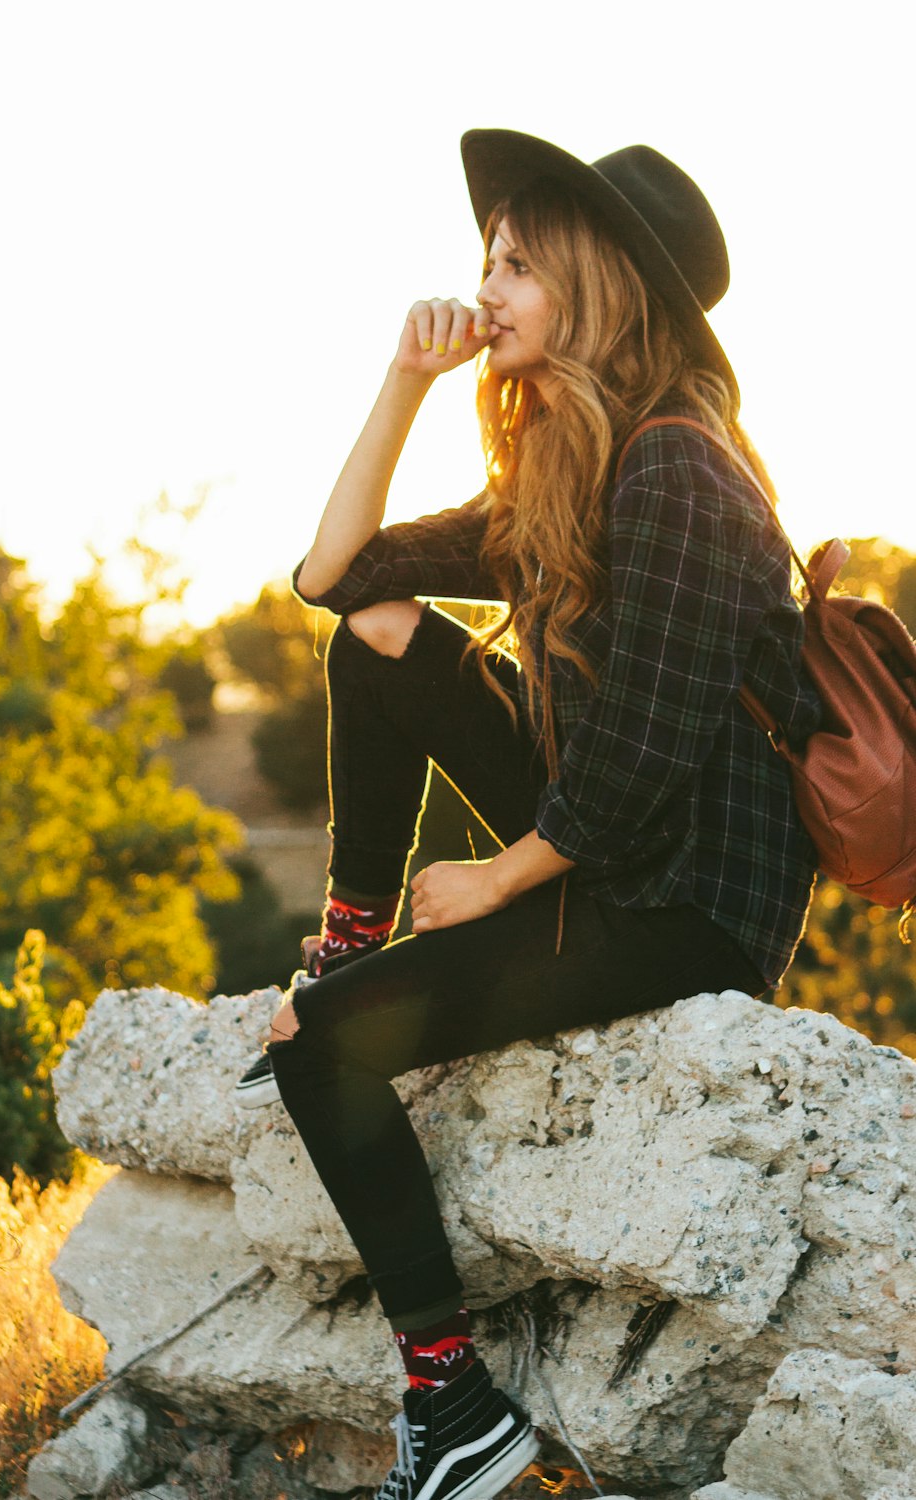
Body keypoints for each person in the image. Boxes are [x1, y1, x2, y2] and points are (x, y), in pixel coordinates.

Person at [237, 129, 821, 1500]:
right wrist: (404, 380)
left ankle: (457, 1407)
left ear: (596, 281)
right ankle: (349, 929)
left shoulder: (685, 469)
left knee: (327, 1053)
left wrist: (501, 878)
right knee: (381, 633)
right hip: (607, 845)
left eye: (513, 262)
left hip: (683, 904)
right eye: (484, 257)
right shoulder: (569, 472)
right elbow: (337, 576)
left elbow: (645, 750)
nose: (483, 287)